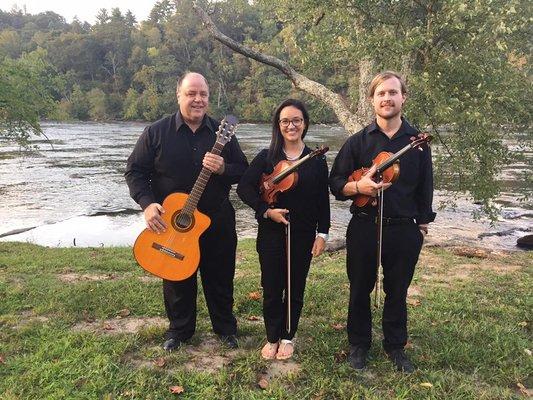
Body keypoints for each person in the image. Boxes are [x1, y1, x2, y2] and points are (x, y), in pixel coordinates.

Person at [125, 72, 248, 351]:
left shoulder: (222, 133)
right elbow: (135, 171)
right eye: (191, 93)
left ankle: (225, 328)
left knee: (220, 277)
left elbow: (244, 170)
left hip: (216, 219)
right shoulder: (156, 132)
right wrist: (147, 204)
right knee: (176, 277)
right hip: (174, 222)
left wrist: (223, 168)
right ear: (178, 95)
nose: (198, 99)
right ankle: (179, 331)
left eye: (203, 94)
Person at [329, 71, 436, 372]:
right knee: (359, 287)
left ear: (403, 97)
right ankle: (359, 344)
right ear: (372, 100)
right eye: (381, 93)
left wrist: (422, 225)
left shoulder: (417, 143)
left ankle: (395, 346)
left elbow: (426, 186)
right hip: (364, 224)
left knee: (398, 290)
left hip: (403, 227)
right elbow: (336, 182)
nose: (387, 98)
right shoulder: (357, 142)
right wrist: (357, 188)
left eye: (392, 92)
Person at [237, 99, 330, 360]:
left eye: (296, 120)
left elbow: (322, 201)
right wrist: (265, 210)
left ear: (305, 124)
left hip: (302, 232)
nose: (291, 125)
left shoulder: (315, 160)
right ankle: (272, 336)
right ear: (278, 126)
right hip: (270, 231)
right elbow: (243, 188)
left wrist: (322, 233)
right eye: (285, 121)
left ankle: (288, 336)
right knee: (271, 286)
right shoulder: (266, 157)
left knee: (295, 286)